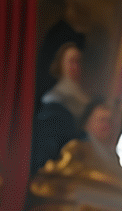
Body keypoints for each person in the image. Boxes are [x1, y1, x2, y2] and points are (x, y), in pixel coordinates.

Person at [31, 41, 90, 174]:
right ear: (61, 64)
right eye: (71, 61)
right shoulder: (54, 97)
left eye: (78, 62)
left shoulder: (86, 100)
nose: (75, 66)